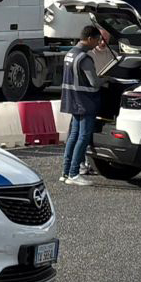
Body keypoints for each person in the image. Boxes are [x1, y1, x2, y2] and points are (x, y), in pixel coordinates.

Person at [59, 25, 104, 184]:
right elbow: (95, 82)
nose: (98, 44)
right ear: (90, 38)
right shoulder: (84, 58)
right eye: (97, 40)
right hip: (85, 101)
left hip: (72, 100)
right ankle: (74, 173)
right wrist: (107, 79)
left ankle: (65, 173)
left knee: (73, 136)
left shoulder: (70, 54)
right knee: (83, 137)